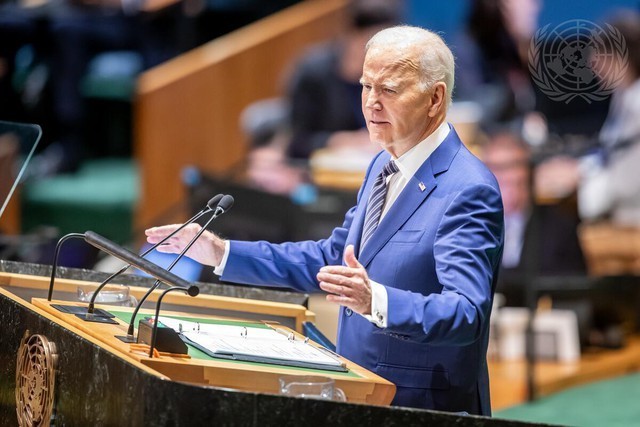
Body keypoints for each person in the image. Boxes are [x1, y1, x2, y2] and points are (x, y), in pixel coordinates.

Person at [146, 26, 504, 415]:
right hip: (361, 392)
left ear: (435, 98)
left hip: (422, 406)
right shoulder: (383, 164)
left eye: (389, 90)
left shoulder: (467, 188)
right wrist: (220, 252)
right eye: (367, 86)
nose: (371, 103)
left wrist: (375, 299)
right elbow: (334, 258)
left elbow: (466, 313)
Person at [481, 131, 585, 305]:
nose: (507, 176)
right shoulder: (469, 225)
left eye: (514, 166)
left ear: (529, 173)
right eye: (497, 169)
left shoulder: (559, 227)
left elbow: (574, 289)